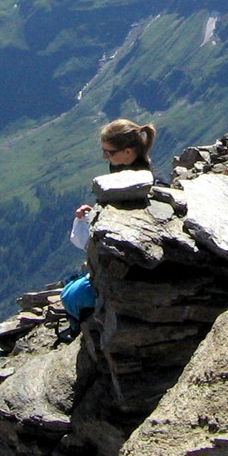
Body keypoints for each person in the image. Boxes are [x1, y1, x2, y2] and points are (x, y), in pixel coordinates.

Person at [61, 119, 157, 324]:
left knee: (73, 296)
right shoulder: (121, 169)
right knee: (71, 291)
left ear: (128, 152)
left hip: (128, 268)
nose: (105, 156)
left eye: (109, 152)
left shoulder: (141, 183)